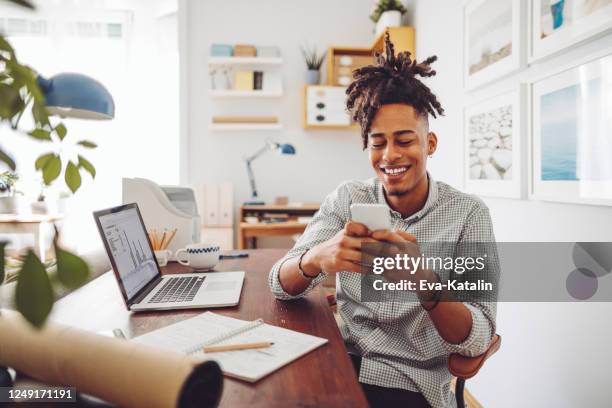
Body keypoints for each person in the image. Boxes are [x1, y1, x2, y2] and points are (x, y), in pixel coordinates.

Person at [268, 34, 498, 408]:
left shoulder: (468, 216)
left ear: (431, 143)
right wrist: (316, 258)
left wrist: (426, 284)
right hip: (343, 362)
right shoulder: (348, 199)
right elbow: (278, 283)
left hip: (413, 384)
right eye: (378, 142)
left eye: (405, 140)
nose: (390, 155)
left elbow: (478, 336)